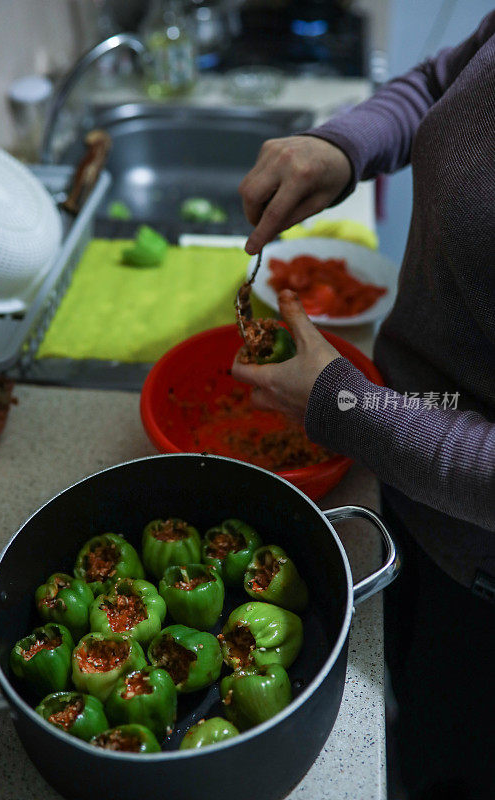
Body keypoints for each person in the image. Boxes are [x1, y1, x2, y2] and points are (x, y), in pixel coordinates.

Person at [233, 11, 495, 800]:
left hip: (481, 579)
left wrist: (345, 407)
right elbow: (443, 83)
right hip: (409, 487)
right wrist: (342, 147)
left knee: (448, 766)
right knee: (407, 717)